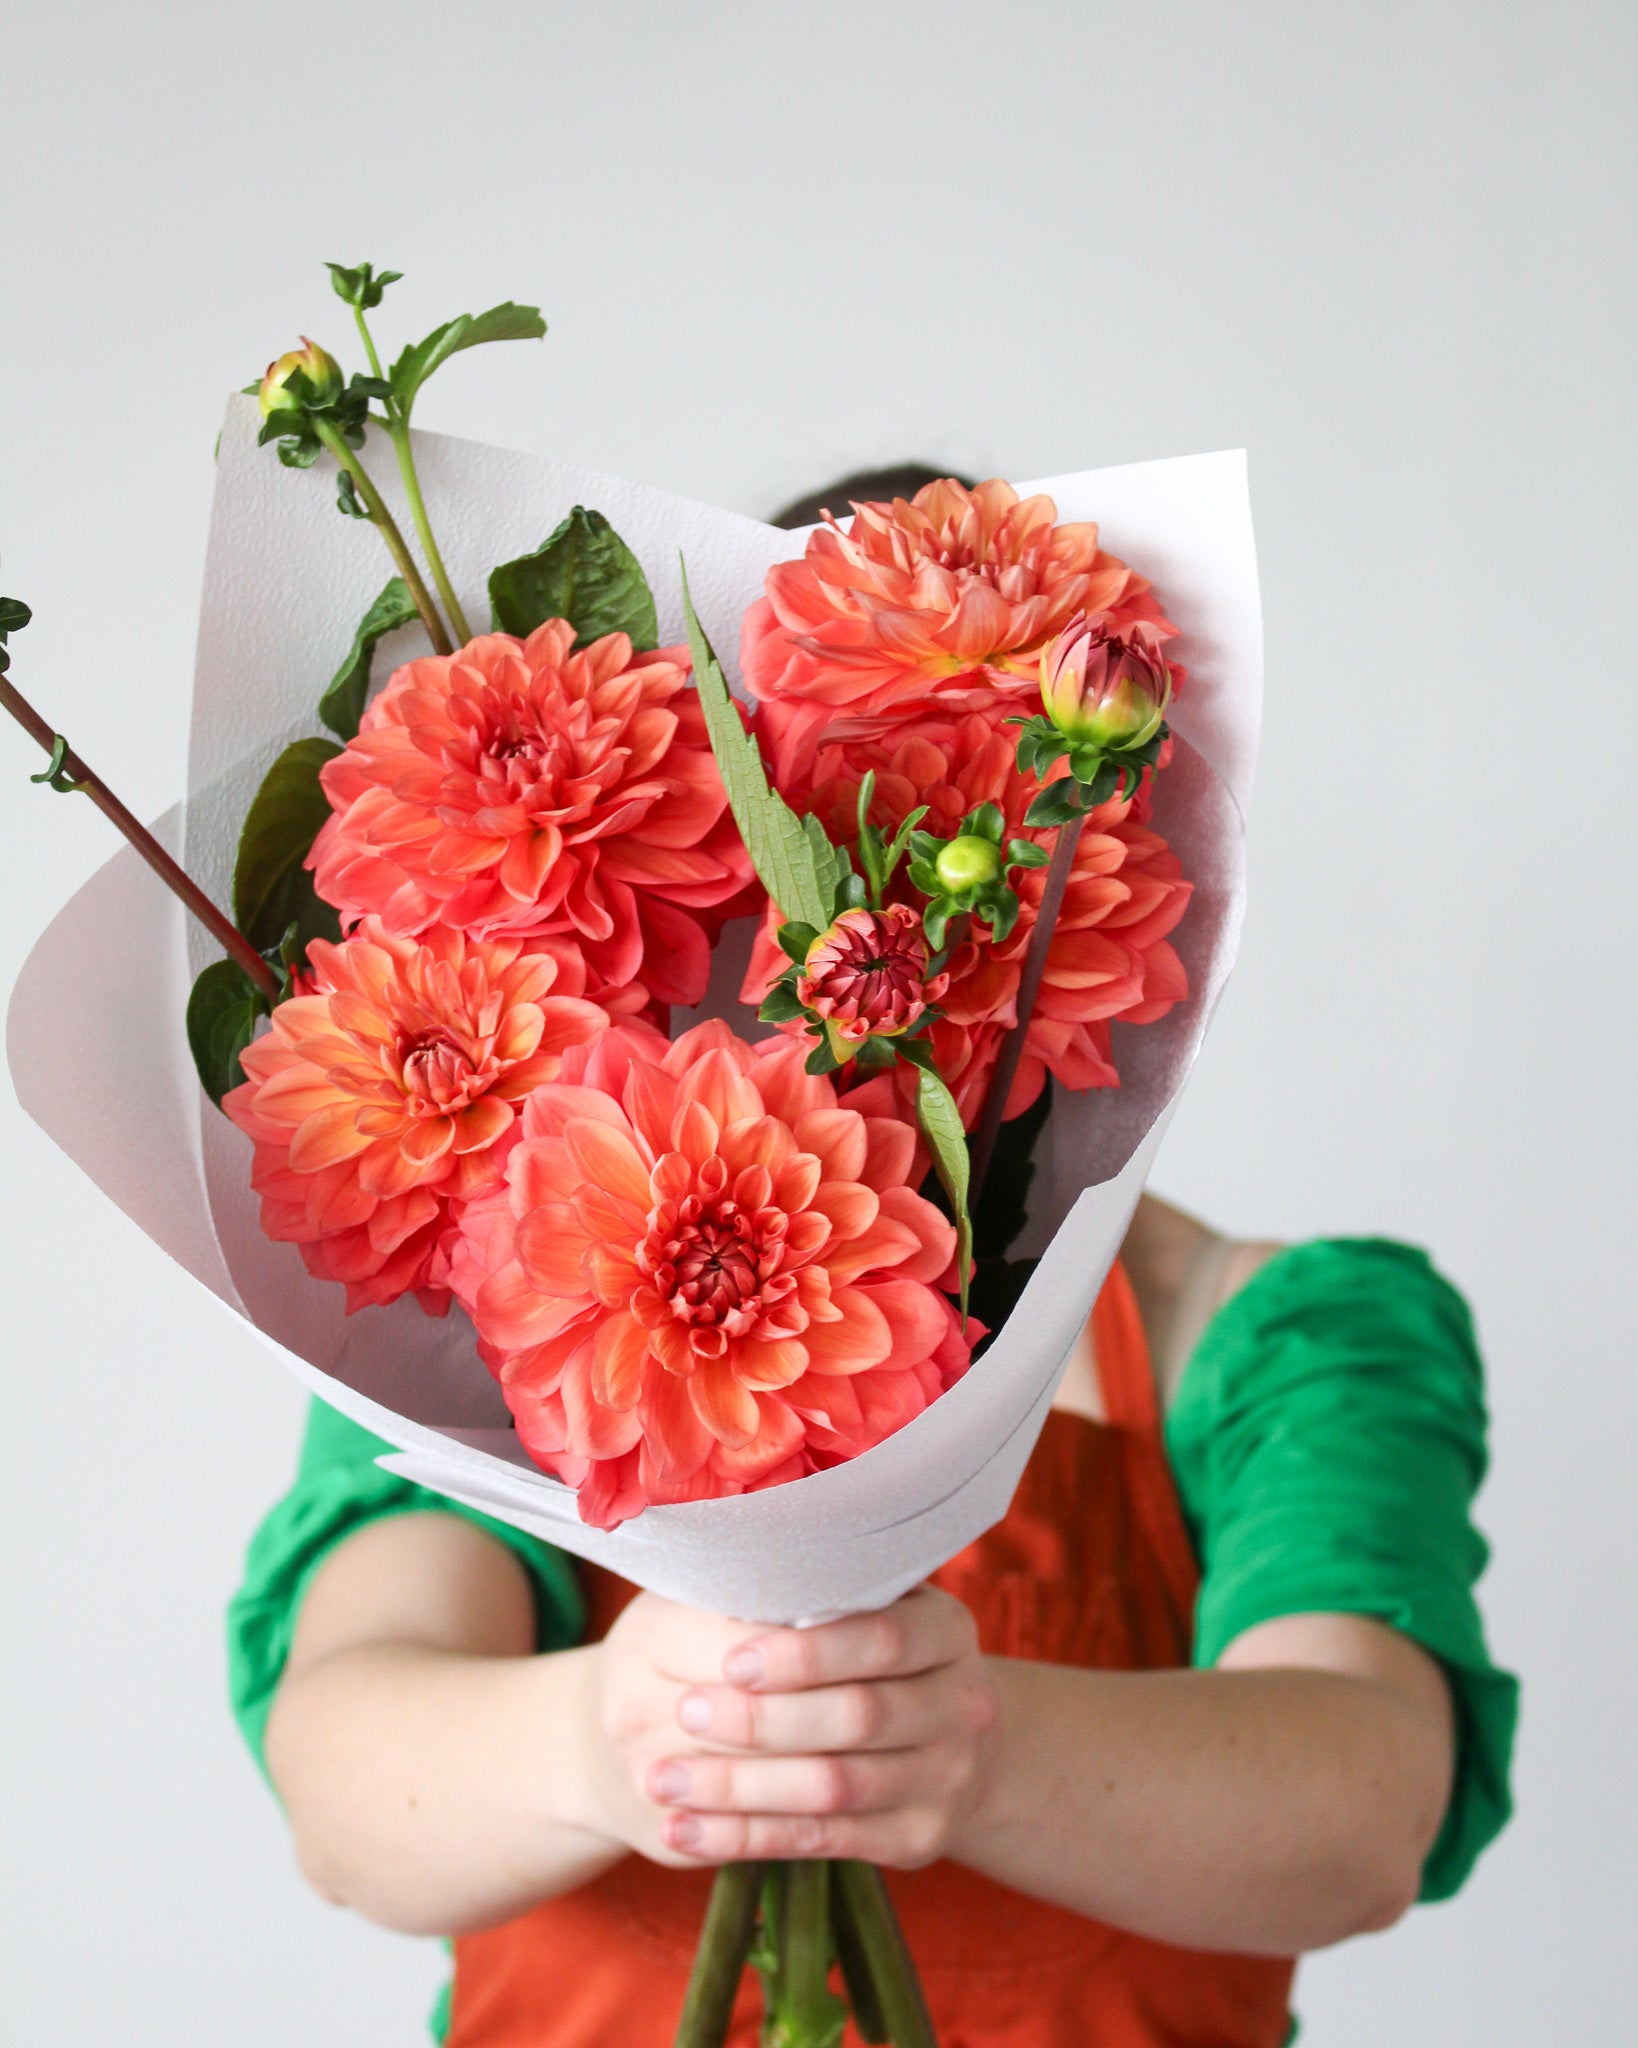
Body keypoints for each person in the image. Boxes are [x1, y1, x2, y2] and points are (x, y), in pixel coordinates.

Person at [228, 467, 1517, 2048]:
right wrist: (610, 1739)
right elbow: (347, 1795)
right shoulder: (491, 1301)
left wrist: (968, 1747)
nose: (873, 900)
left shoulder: (1274, 1333)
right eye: (802, 842)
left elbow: (1363, 1811)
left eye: (944, 838)